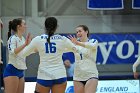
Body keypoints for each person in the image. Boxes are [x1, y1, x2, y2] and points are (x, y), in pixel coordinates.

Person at [21, 17, 76, 93]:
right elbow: (75, 49)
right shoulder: (62, 39)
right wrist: (64, 49)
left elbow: (24, 53)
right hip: (59, 75)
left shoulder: (38, 39)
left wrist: (30, 46)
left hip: (44, 76)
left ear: (45, 26)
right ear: (56, 27)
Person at [68, 25, 98, 93]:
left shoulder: (93, 41)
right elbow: (63, 49)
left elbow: (92, 46)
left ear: (86, 31)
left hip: (91, 75)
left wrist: (77, 43)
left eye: (80, 31)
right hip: (78, 76)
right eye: (77, 32)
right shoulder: (73, 44)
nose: (78, 33)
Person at [3, 18, 30, 93]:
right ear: (19, 27)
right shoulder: (13, 38)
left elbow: (25, 53)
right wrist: (25, 45)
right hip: (12, 70)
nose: (26, 26)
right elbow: (13, 52)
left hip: (21, 71)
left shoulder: (23, 39)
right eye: (24, 24)